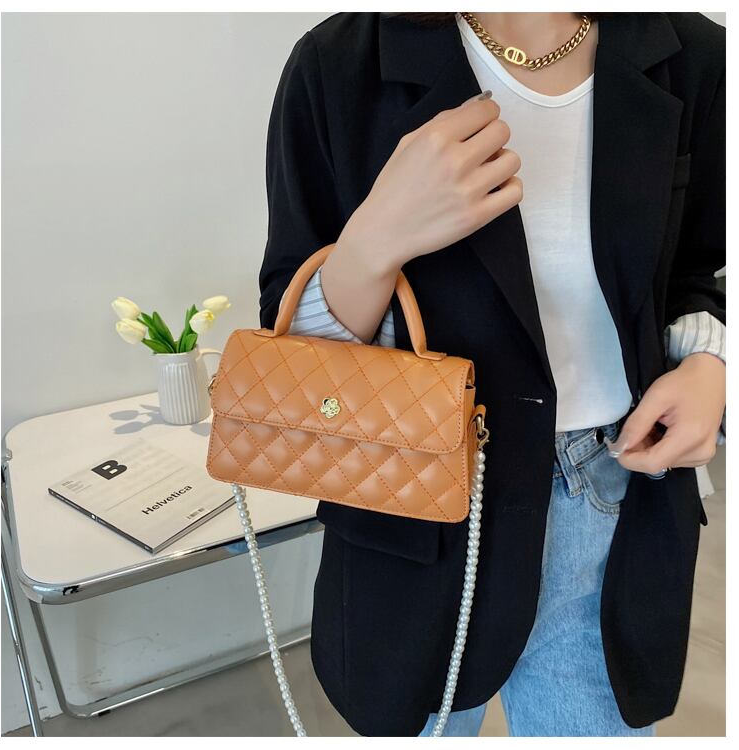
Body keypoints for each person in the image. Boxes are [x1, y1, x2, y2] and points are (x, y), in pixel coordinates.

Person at [258, 12, 726, 737]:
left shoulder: (692, 53)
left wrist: (708, 363)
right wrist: (377, 238)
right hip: (415, 507)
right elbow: (294, 348)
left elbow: (700, 270)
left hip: (615, 504)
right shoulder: (338, 64)